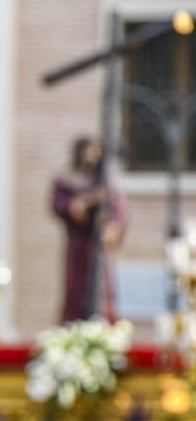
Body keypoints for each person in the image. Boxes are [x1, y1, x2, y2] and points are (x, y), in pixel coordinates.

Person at [51, 136, 126, 322]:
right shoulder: (67, 179)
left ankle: (101, 331)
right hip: (77, 244)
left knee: (101, 291)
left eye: (95, 151)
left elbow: (117, 209)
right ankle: (73, 329)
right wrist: (78, 206)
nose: (90, 156)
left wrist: (114, 226)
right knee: (75, 291)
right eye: (87, 150)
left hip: (98, 245)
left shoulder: (104, 181)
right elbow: (60, 205)